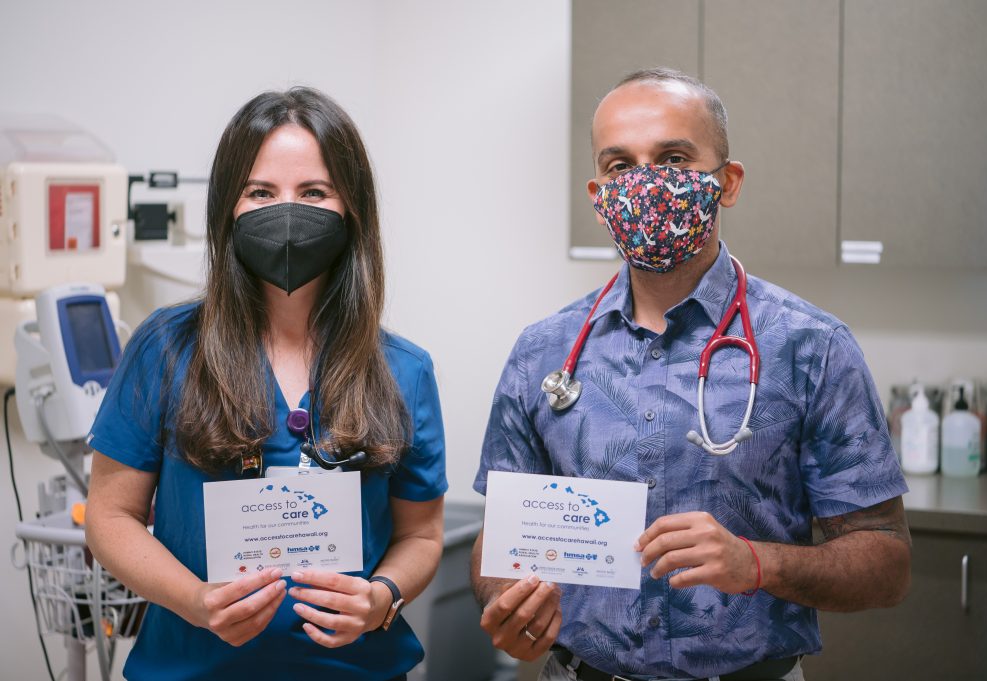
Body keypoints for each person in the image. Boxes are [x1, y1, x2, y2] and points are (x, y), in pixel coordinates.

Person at [470, 68, 911, 681]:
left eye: (673, 158)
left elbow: (886, 563)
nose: (645, 182)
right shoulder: (542, 352)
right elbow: (499, 538)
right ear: (599, 196)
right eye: (620, 165)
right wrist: (505, 601)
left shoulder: (811, 347)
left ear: (728, 182)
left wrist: (757, 563)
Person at [85, 87, 447, 681]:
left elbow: (422, 534)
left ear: (352, 209)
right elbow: (110, 516)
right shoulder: (165, 347)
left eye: (314, 192)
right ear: (227, 207)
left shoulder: (403, 369)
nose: (287, 211)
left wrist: (382, 598)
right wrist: (194, 602)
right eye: (260, 192)